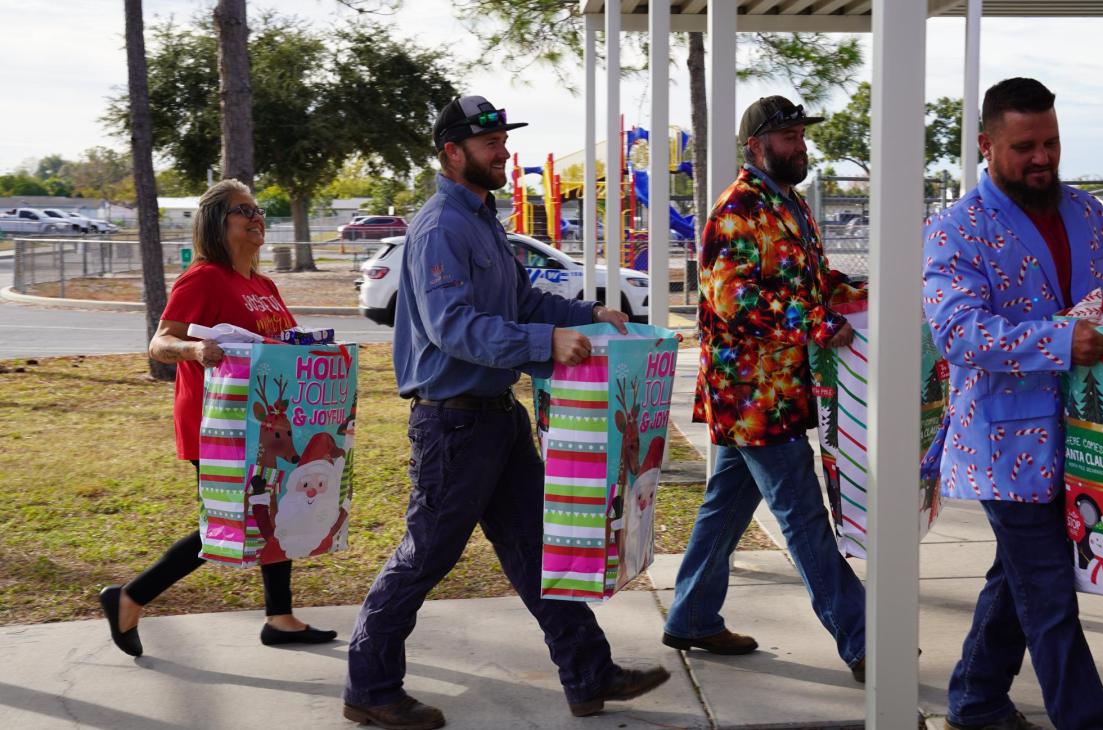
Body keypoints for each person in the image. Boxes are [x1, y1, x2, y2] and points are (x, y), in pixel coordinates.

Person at [342, 95, 670, 730]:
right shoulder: (440, 226)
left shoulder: (484, 220)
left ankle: (589, 674)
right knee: (426, 556)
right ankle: (369, 686)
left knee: (536, 548)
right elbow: (451, 326)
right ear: (451, 153)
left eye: (502, 140)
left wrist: (587, 314)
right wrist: (542, 344)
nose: (503, 151)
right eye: (489, 143)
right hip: (453, 424)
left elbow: (520, 298)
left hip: (496, 417)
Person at [922, 78, 1103, 730]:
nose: (1042, 158)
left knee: (1018, 582)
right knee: (1050, 598)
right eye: (1025, 146)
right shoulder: (955, 230)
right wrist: (1060, 339)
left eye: (1051, 142)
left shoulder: (1086, 212)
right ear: (986, 146)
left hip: (1086, 437)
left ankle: (975, 701)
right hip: (1005, 448)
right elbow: (957, 331)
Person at [662, 95, 868, 681]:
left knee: (725, 505)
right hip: (750, 395)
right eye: (788, 137)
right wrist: (821, 323)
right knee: (802, 513)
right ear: (756, 147)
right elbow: (735, 298)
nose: (800, 145)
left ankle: (692, 616)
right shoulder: (737, 209)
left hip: (772, 392)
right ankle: (862, 640)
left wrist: (849, 288)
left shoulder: (790, 204)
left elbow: (806, 277)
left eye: (801, 135)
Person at [98, 179, 338, 658]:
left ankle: (280, 618)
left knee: (269, 505)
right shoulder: (204, 278)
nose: (256, 217)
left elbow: (284, 345)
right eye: (243, 210)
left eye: (258, 209)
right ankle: (129, 597)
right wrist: (195, 349)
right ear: (217, 222)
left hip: (267, 422)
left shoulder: (264, 285)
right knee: (237, 516)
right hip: (218, 425)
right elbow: (160, 342)